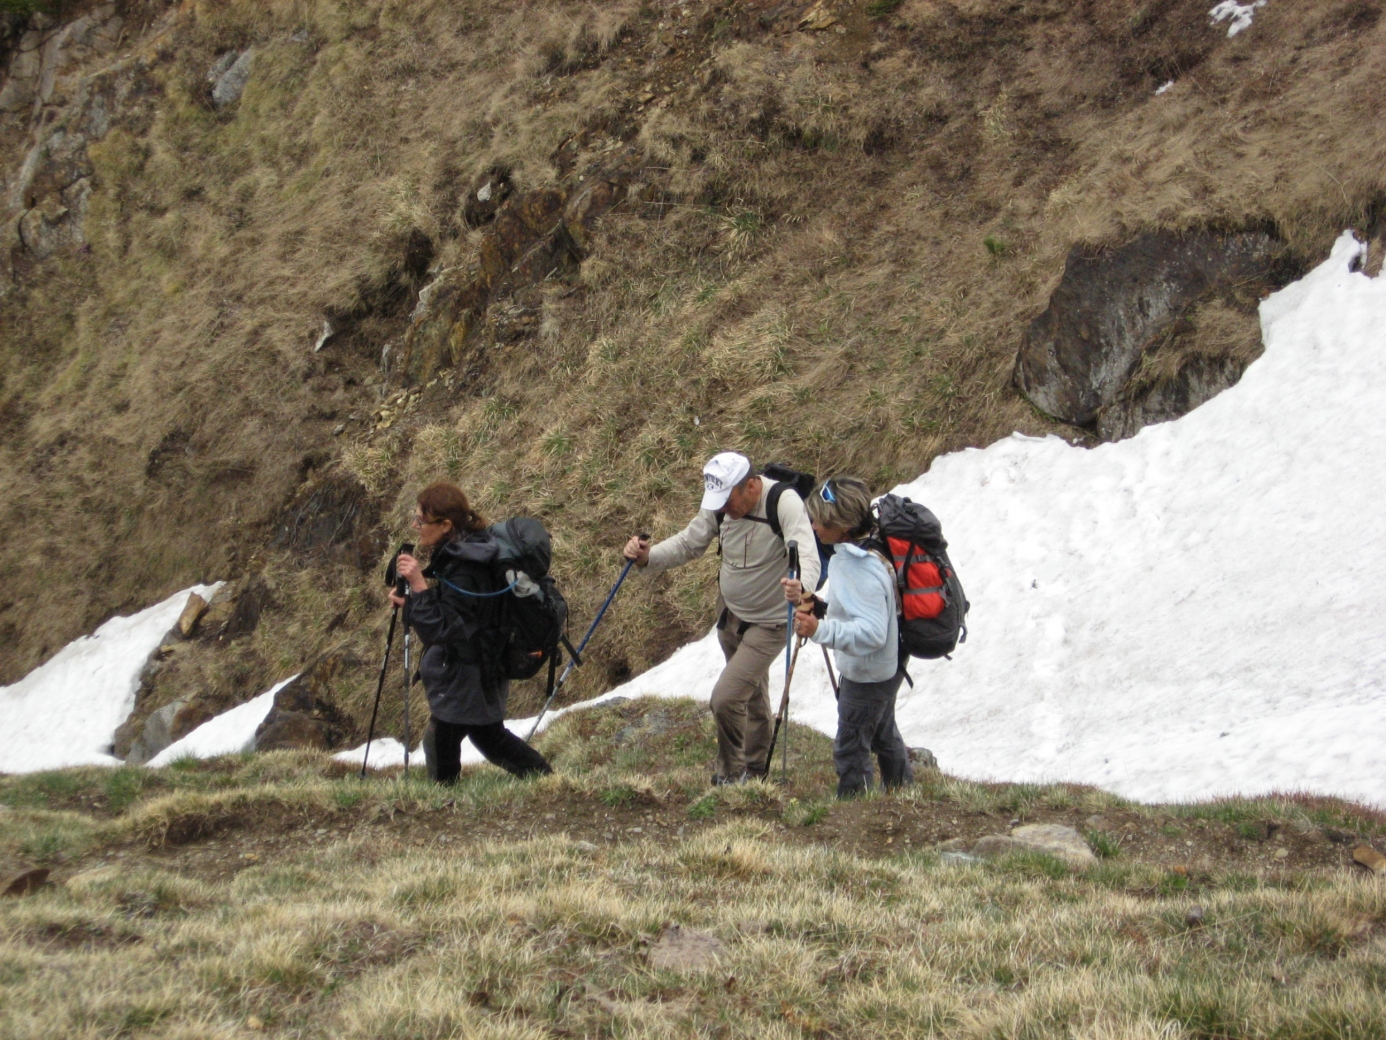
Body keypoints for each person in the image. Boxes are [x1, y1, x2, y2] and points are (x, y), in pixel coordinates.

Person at [624, 452, 820, 784]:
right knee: (750, 692)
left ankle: (730, 774)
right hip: (730, 615)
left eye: (729, 500)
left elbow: (806, 553)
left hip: (770, 623)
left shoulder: (783, 502)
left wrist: (803, 587)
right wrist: (647, 558)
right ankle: (756, 769)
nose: (723, 509)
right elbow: (690, 543)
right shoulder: (720, 504)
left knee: (726, 698)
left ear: (752, 485)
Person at [389, 482, 553, 785]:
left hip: (470, 669)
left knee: (444, 737)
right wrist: (414, 601)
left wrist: (420, 588)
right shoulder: (470, 551)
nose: (415, 526)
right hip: (481, 664)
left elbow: (445, 628)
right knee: (486, 736)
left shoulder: (466, 565)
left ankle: (444, 794)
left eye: (421, 520)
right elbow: (462, 609)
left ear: (445, 525)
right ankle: (543, 778)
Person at [781, 476, 913, 799]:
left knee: (851, 746)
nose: (813, 526)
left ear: (842, 525)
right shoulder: (871, 546)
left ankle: (857, 811)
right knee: (882, 733)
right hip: (890, 663)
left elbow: (871, 632)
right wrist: (811, 601)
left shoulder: (859, 566)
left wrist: (819, 630)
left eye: (820, 521)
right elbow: (858, 610)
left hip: (868, 673)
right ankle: (902, 795)